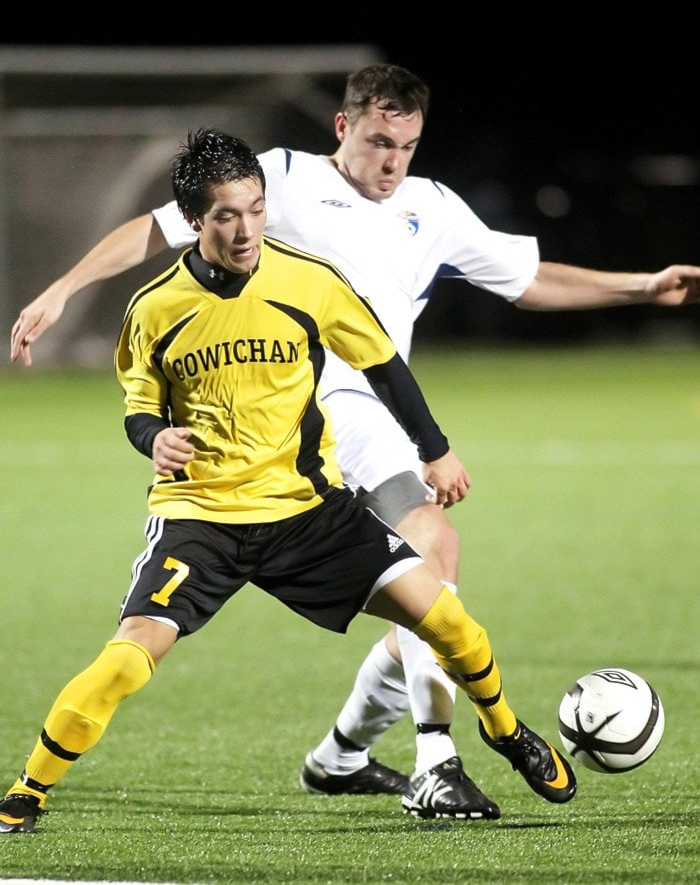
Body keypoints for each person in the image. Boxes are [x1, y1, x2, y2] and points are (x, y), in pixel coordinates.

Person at [9, 66, 700, 822]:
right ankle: (435, 759)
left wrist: (643, 286)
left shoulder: (431, 207)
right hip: (296, 411)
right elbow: (152, 229)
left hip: (370, 411)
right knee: (431, 551)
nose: (392, 161)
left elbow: (525, 278)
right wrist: (63, 288)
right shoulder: (276, 178)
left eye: (407, 145)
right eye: (379, 141)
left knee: (431, 564)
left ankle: (347, 753)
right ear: (343, 129)